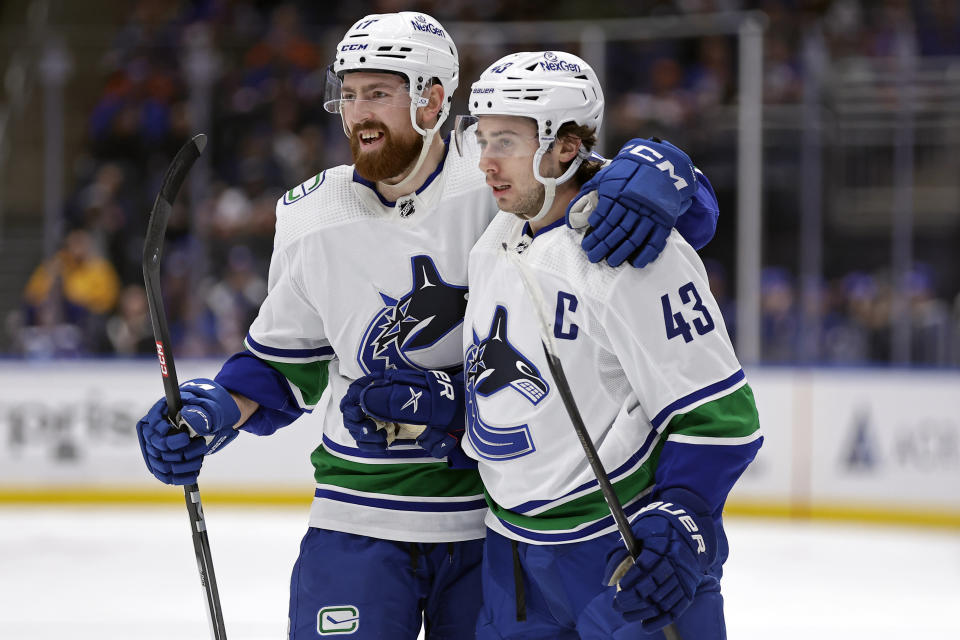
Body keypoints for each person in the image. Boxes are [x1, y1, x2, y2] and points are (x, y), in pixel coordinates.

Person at [135, 13, 719, 640]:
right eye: (349, 93)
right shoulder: (311, 214)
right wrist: (219, 407)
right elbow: (288, 356)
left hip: (486, 522)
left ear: (434, 99)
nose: (358, 112)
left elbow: (632, 200)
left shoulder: (498, 177)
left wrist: (667, 173)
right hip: (359, 515)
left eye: (379, 93)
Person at [348, 51, 762, 639]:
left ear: (565, 147)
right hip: (511, 557)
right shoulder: (496, 239)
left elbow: (722, 416)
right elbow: (530, 385)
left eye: (508, 141)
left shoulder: (631, 253)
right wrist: (439, 408)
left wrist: (685, 515)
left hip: (621, 551)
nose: (487, 162)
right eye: (482, 137)